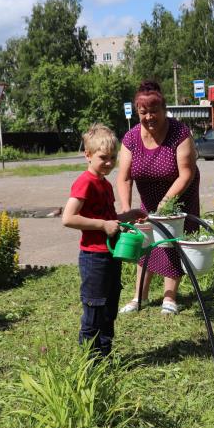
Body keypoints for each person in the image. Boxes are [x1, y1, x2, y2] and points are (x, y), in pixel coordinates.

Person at [62, 124, 147, 357]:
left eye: (112, 158)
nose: (109, 163)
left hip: (110, 256)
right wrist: (103, 225)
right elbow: (68, 218)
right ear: (87, 155)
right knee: (95, 310)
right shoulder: (85, 182)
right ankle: (90, 364)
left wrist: (126, 216)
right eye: (103, 158)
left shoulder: (105, 184)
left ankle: (104, 357)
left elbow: (108, 219)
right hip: (94, 258)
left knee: (109, 308)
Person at [116, 80, 200, 315]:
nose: (149, 117)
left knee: (170, 239)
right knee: (146, 240)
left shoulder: (179, 133)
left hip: (179, 193)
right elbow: (124, 178)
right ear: (137, 113)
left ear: (164, 110)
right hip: (149, 194)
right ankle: (138, 297)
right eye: (143, 113)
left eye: (154, 112)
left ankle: (170, 297)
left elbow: (187, 173)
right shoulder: (131, 138)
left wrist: (165, 205)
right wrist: (126, 210)